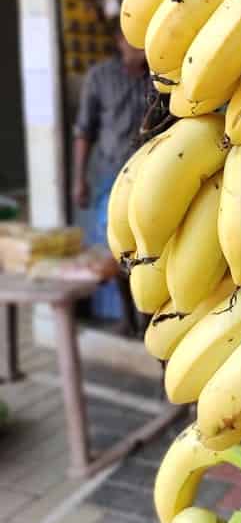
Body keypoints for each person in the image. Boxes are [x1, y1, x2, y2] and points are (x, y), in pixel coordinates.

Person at [73, 23, 150, 331]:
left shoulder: (161, 79)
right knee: (116, 250)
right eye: (132, 40)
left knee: (148, 247)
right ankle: (127, 318)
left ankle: (147, 317)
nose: (140, 47)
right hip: (110, 177)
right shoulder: (99, 78)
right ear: (119, 40)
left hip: (150, 177)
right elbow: (83, 131)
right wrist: (79, 179)